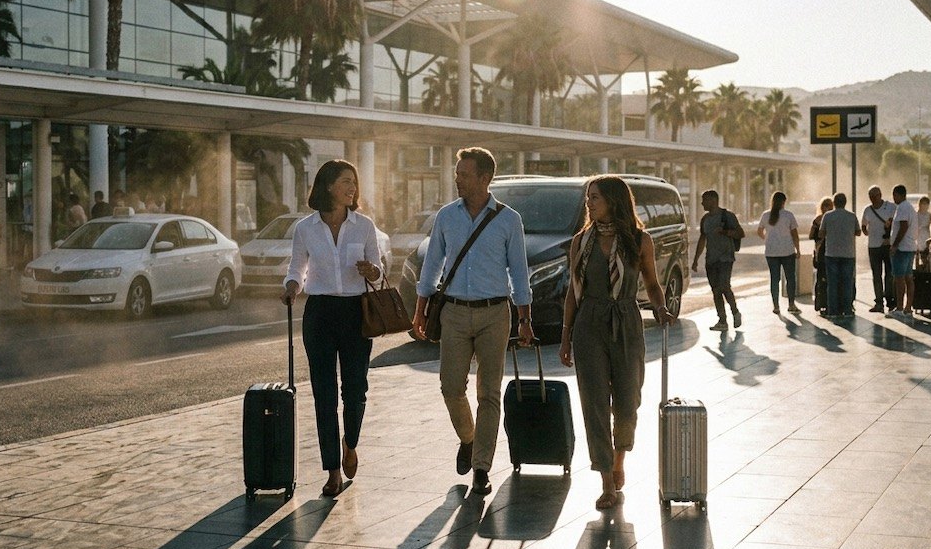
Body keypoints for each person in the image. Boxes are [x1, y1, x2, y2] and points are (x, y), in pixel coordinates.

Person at [412, 147, 534, 497]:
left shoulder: (509, 219)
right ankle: (469, 439)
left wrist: (524, 319)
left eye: (464, 174)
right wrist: (420, 310)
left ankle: (481, 467)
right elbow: (432, 265)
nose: (457, 179)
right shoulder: (447, 217)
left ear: (484, 178)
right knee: (451, 387)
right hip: (452, 311)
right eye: (457, 173)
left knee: (489, 393)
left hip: (496, 312)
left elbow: (520, 274)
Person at [558, 176, 674, 511]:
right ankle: (606, 480)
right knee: (594, 404)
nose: (589, 204)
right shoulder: (582, 241)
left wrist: (662, 308)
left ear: (614, 200)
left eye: (595, 197)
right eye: (588, 198)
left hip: (626, 319)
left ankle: (619, 457)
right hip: (589, 322)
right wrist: (565, 336)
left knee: (628, 400)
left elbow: (652, 283)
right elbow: (573, 292)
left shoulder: (639, 239)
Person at [281, 160, 384, 498]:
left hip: (357, 313)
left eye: (354, 182)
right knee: (324, 395)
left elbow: (379, 272)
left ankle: (350, 443)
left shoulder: (364, 226)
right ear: (327, 186)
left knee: (355, 391)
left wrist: (371, 271)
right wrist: (293, 286)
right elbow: (297, 266)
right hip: (320, 313)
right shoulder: (305, 228)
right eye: (345, 182)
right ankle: (332, 471)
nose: (352, 188)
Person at [691, 189, 744, 331]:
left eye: (704, 200)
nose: (702, 203)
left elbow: (740, 233)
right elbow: (703, 239)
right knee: (716, 290)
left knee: (724, 286)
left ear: (713, 200)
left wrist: (725, 232)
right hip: (711, 260)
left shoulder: (727, 216)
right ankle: (722, 321)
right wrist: (696, 259)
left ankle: (735, 312)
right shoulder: (705, 219)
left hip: (726, 258)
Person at [757, 191, 802, 314]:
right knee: (790, 278)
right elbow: (795, 234)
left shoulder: (766, 215)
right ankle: (791, 304)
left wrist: (767, 238)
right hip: (787, 251)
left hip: (771, 252)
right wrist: (798, 249)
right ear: (783, 202)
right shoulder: (788, 215)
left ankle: (776, 306)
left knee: (774, 279)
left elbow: (759, 231)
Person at [818, 192, 861, 317]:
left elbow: (821, 234)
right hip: (848, 254)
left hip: (831, 254)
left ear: (834, 203)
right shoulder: (852, 216)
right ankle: (847, 310)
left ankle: (833, 311)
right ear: (845, 202)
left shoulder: (827, 216)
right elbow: (858, 232)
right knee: (847, 283)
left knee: (832, 284)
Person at [860, 186, 897, 312]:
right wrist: (866, 231)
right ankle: (879, 301)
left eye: (875, 196)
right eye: (870, 196)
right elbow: (863, 226)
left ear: (880, 195)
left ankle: (890, 300)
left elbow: (896, 221)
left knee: (889, 274)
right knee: (876, 275)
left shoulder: (891, 207)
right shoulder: (867, 210)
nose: (873, 199)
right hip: (873, 246)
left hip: (887, 244)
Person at [889, 184, 918, 316]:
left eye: (894, 195)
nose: (893, 198)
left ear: (899, 195)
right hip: (910, 246)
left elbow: (903, 226)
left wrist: (895, 245)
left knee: (899, 278)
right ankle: (908, 307)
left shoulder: (902, 207)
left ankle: (900, 307)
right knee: (908, 277)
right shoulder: (910, 207)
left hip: (902, 248)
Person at [809, 196, 834, 315]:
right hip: (821, 253)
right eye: (825, 205)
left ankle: (830, 303)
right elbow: (811, 235)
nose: (827, 208)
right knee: (821, 279)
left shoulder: (834, 218)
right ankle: (821, 303)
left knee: (831, 279)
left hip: (833, 251)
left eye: (829, 205)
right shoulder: (817, 220)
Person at [915, 196, 931, 264]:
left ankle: (926, 268)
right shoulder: (916, 214)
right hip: (917, 235)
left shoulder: (929, 214)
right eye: (923, 204)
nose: (924, 205)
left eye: (926, 204)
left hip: (926, 234)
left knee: (926, 253)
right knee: (917, 253)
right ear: (919, 204)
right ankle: (917, 269)